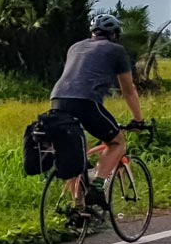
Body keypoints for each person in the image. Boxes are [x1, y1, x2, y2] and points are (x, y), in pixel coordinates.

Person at [49, 13, 144, 205]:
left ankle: (79, 208)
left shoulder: (75, 47)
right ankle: (98, 187)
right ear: (115, 34)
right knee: (117, 142)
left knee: (76, 155)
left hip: (57, 99)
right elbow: (128, 90)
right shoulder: (116, 50)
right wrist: (138, 120)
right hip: (86, 101)